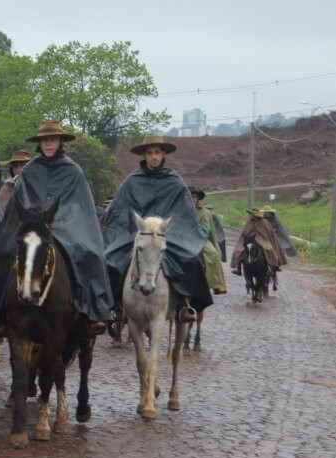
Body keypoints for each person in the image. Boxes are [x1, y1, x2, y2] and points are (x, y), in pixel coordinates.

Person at [0, 121, 112, 330]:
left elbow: (79, 207)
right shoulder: (29, 171)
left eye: (52, 139)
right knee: (0, 252)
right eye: (45, 140)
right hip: (32, 225)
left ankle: (93, 311)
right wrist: (33, 221)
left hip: (67, 226)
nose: (48, 144)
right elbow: (20, 203)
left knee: (92, 254)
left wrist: (56, 222)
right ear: (39, 143)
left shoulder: (74, 171)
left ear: (60, 141)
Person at [102, 136, 213, 321]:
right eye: (149, 153)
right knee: (111, 259)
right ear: (144, 156)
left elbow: (184, 215)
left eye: (157, 153)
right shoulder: (132, 181)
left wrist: (172, 232)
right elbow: (119, 210)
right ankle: (115, 306)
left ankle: (185, 306)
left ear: (163, 154)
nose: (153, 157)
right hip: (136, 234)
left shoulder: (175, 182)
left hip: (170, 235)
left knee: (191, 259)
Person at [191, 188, 227, 295]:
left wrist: (197, 235)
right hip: (183, 238)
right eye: (190, 196)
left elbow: (205, 230)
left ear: (197, 199)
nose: (192, 199)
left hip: (200, 239)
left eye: (194, 197)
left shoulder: (205, 213)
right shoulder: (182, 210)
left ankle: (217, 284)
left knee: (213, 254)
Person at [230, 207, 288, 275]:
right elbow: (244, 232)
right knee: (238, 249)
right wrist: (246, 237)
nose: (250, 215)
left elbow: (269, 232)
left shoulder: (264, 222)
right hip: (249, 239)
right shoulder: (249, 222)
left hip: (263, 240)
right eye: (250, 214)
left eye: (251, 214)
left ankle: (272, 266)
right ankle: (238, 267)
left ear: (255, 214)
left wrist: (261, 237)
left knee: (270, 249)